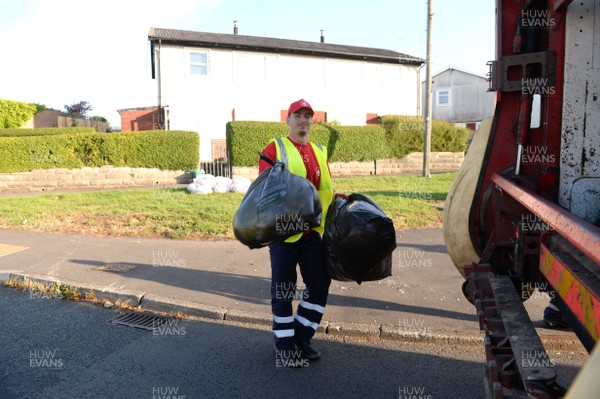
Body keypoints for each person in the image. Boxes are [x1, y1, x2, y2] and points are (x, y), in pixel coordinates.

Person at [259, 99, 345, 365]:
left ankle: (301, 336)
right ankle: (284, 344)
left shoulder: (319, 151)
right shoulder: (275, 148)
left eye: (308, 116)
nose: (303, 120)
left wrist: (341, 201)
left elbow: (326, 189)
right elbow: (265, 189)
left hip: (311, 234)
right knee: (284, 290)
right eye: (298, 115)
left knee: (319, 284)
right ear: (288, 119)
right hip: (283, 234)